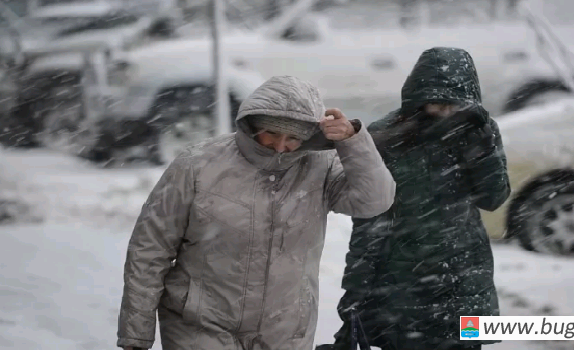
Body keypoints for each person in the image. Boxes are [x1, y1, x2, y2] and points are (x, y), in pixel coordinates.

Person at [116, 75, 396, 350]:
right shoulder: (197, 164)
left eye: (293, 138)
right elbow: (150, 249)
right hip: (200, 325)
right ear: (251, 124)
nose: (280, 145)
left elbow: (375, 201)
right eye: (271, 132)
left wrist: (353, 143)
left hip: (285, 331)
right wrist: (136, 335)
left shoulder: (319, 166)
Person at [319, 47, 511, 350]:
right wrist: (354, 294)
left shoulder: (477, 129)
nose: (446, 112)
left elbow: (493, 198)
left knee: (464, 342)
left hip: (461, 275)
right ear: (417, 98)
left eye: (454, 104)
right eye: (436, 103)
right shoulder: (386, 134)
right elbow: (370, 220)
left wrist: (482, 148)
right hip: (399, 280)